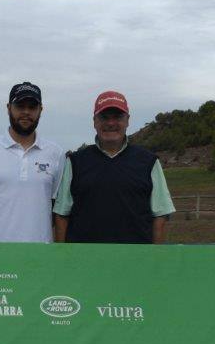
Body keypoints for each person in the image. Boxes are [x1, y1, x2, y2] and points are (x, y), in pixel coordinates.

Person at [54, 90, 175, 244]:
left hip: (135, 260)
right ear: (94, 121)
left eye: (117, 117)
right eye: (104, 117)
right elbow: (62, 214)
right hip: (84, 261)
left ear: (128, 120)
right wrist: (62, 257)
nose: (111, 123)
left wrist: (156, 260)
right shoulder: (75, 162)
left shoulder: (149, 162)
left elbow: (160, 215)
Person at [0, 81, 64, 242]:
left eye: (32, 107)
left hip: (41, 254)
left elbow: (57, 209)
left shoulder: (56, 153)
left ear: (41, 110)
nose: (26, 112)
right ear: (8, 108)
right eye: (20, 106)